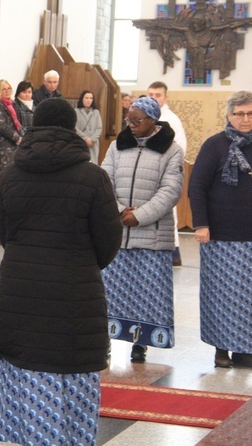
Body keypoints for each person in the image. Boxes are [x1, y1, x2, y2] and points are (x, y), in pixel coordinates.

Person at [0, 98, 122, 446]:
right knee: (71, 373)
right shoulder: (93, 176)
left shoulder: (12, 173)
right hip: (75, 294)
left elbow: (6, 230)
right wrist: (80, 264)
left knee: (24, 367)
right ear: (73, 128)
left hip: (21, 289)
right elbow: (108, 241)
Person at [101, 97, 184, 363]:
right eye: (129, 119)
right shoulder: (117, 146)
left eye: (137, 120)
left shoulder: (171, 150)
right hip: (118, 236)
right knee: (110, 293)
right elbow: (103, 182)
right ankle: (105, 340)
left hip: (151, 236)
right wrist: (119, 211)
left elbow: (170, 191)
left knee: (146, 295)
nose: (131, 124)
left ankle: (141, 344)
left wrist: (139, 216)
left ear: (153, 120)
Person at [188, 90, 252, 368]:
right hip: (220, 235)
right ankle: (221, 349)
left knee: (247, 297)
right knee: (221, 295)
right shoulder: (215, 145)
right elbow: (197, 186)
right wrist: (201, 223)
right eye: (239, 113)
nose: (245, 119)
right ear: (229, 115)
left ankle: (244, 348)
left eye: (250, 113)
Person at [148, 81, 187, 266]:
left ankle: (174, 253)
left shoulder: (172, 120)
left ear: (166, 97)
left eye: (158, 95)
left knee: (168, 212)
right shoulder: (143, 116)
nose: (154, 98)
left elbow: (179, 150)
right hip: (146, 175)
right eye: (151, 94)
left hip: (165, 174)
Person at [0, 79, 22, 179]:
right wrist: (17, 138)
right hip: (2, 147)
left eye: (9, 88)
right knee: (4, 176)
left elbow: (18, 124)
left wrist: (22, 136)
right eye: (4, 89)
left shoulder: (13, 105)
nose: (7, 91)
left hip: (14, 146)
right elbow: (1, 125)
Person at [75, 89, 103, 164]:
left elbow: (99, 128)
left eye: (91, 98)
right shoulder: (76, 111)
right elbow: (75, 128)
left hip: (93, 143)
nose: (89, 100)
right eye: (86, 98)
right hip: (81, 141)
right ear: (82, 99)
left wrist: (92, 139)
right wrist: (85, 138)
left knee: (93, 163)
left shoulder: (96, 112)